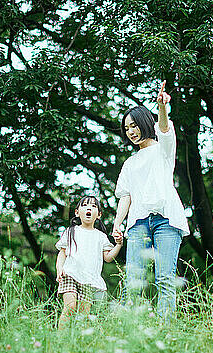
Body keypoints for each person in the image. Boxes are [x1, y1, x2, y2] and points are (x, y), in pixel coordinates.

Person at [112, 80, 189, 319]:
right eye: (127, 129)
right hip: (138, 224)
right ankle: (129, 329)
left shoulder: (163, 150)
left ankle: (166, 330)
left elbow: (164, 129)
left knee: (164, 278)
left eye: (134, 125)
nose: (131, 132)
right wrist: (117, 223)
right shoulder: (130, 163)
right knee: (133, 279)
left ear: (145, 123)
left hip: (166, 220)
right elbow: (125, 195)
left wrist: (162, 106)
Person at [55, 195, 123, 328]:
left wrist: (119, 244)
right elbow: (62, 253)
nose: (89, 208)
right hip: (70, 274)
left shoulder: (101, 237)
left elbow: (108, 258)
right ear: (77, 212)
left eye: (93, 206)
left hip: (89, 279)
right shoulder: (71, 231)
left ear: (99, 215)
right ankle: (60, 339)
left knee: (83, 315)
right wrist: (59, 269)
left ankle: (78, 341)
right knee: (70, 307)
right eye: (85, 205)